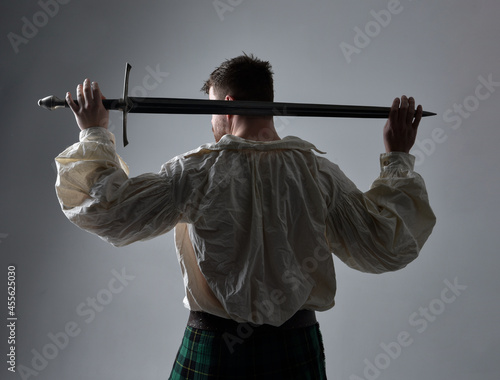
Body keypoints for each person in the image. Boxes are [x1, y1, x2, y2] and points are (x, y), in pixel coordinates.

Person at [55, 54, 436, 379]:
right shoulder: (318, 174)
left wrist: (94, 132)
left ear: (228, 105)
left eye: (211, 109)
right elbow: (386, 241)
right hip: (293, 347)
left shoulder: (195, 172)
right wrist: (398, 155)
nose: (211, 122)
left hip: (217, 349)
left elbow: (111, 211)